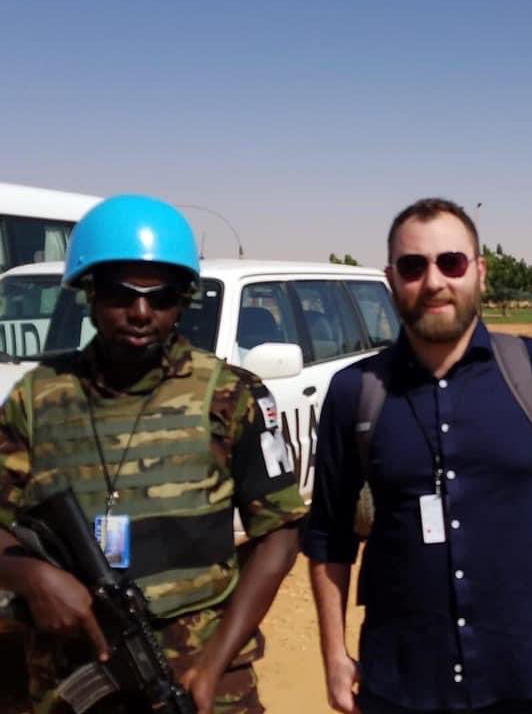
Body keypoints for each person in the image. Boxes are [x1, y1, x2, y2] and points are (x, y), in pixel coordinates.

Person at [303, 198, 532, 714]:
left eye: (451, 263)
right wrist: (333, 654)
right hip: (399, 683)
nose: (434, 281)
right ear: (391, 279)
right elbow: (328, 534)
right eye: (413, 266)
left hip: (524, 680)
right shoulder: (355, 393)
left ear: (479, 272)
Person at [0, 194, 306, 714]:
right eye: (122, 294)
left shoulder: (231, 396)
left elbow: (279, 531)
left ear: (183, 300)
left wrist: (213, 661)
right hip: (67, 675)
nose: (141, 313)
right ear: (90, 294)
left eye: (161, 298)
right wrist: (33, 578)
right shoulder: (36, 398)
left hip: (201, 674)